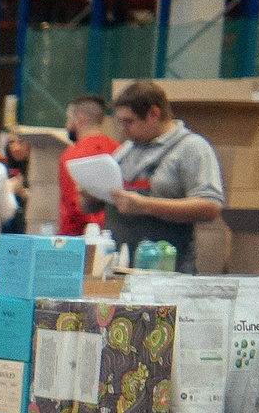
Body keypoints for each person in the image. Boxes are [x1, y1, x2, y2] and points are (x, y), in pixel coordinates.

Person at [107, 80, 225, 272]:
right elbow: (91, 206)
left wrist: (144, 205)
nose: (123, 128)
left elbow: (210, 206)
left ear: (154, 113)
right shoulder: (126, 149)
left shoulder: (191, 147)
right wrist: (90, 194)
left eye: (129, 121)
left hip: (168, 267)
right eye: (119, 122)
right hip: (123, 265)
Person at [56, 92, 118, 241]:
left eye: (68, 118)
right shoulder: (118, 149)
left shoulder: (71, 155)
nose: (67, 125)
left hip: (77, 238)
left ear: (79, 118)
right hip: (112, 233)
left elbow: (74, 204)